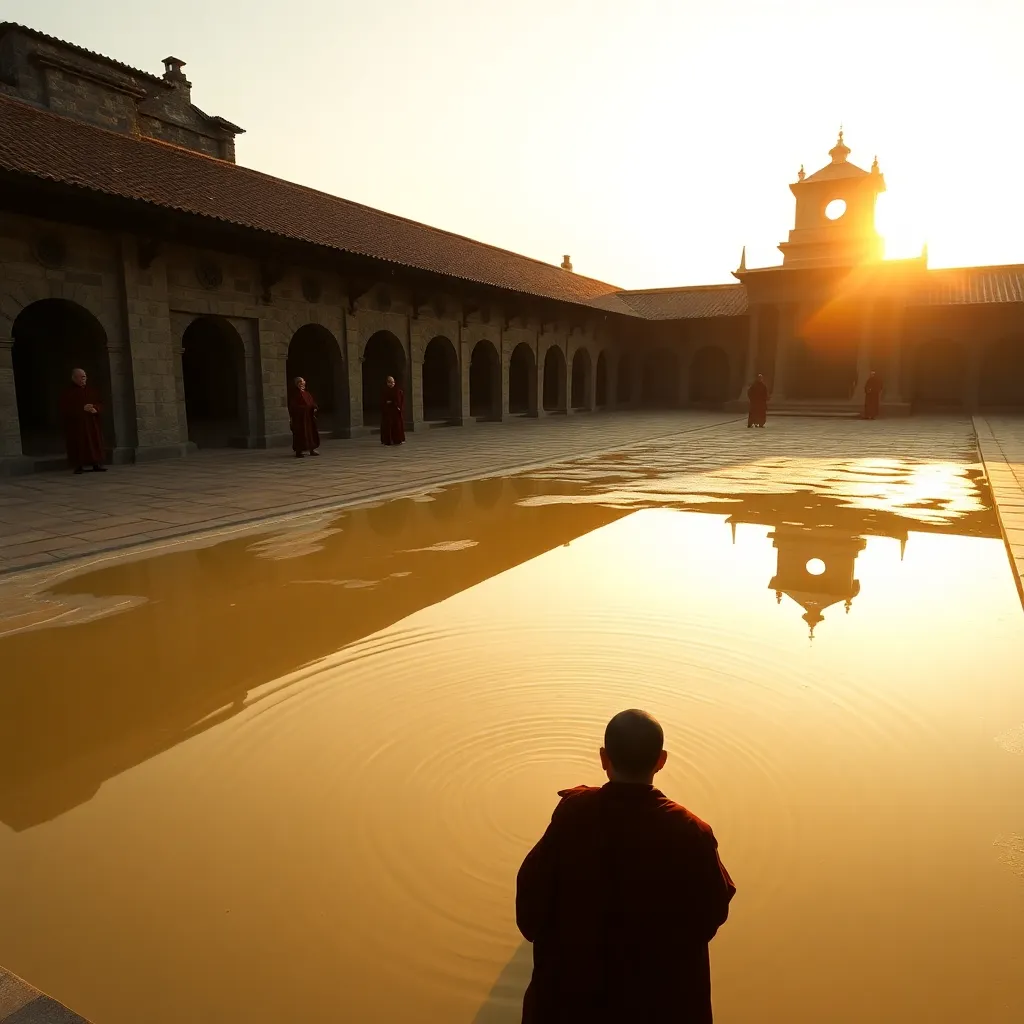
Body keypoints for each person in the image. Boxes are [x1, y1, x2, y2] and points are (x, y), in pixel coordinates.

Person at [516, 709, 735, 1024]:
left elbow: (529, 914)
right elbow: (712, 914)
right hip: (662, 1007)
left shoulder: (573, 817)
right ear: (661, 760)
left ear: (604, 758)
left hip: (570, 1006)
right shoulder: (690, 832)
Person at [60, 368, 106, 474]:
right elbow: (65, 408)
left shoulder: (92, 390)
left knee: (94, 442)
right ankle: (78, 466)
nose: (83, 379)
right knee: (79, 444)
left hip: (92, 423)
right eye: (80, 377)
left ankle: (96, 464)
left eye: (84, 377)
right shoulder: (68, 392)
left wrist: (96, 408)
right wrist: (82, 408)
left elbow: (100, 403)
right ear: (73, 378)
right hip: (77, 425)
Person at [288, 376, 320, 458]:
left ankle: (311, 449)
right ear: (297, 384)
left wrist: (314, 407)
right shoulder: (295, 394)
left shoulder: (306, 393)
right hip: (300, 419)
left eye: (303, 383)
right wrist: (305, 408)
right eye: (300, 383)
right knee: (300, 434)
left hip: (309, 418)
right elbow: (293, 407)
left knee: (311, 433)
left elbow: (311, 402)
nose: (302, 384)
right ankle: (299, 451)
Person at [380, 375, 406, 446]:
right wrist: (387, 403)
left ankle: (398, 440)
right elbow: (383, 401)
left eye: (393, 382)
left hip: (396, 411)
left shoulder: (398, 390)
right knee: (388, 425)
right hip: (388, 411)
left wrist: (399, 407)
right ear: (387, 383)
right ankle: (388, 440)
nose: (392, 384)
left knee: (397, 425)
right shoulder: (384, 390)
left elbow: (401, 400)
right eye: (390, 382)